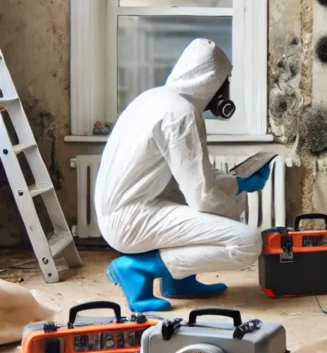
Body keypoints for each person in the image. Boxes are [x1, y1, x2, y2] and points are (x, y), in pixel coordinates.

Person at [95, 39, 271, 312]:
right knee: (247, 242)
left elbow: (189, 178)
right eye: (225, 82)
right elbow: (202, 198)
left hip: (129, 208)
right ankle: (138, 268)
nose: (226, 90)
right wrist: (229, 207)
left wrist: (237, 183)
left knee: (232, 201)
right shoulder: (180, 114)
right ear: (211, 80)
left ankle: (180, 281)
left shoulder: (155, 98)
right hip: (132, 219)